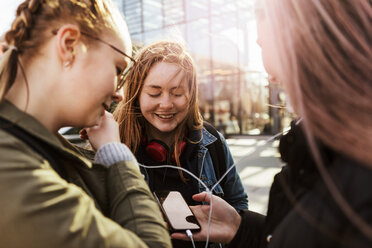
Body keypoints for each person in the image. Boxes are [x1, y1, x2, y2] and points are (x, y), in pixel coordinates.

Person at [172, 0, 372, 247]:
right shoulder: (322, 157)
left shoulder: (351, 177)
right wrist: (240, 227)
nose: (269, 73)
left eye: (263, 43)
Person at [0, 0, 171, 247]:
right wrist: (117, 156)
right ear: (70, 45)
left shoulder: (34, 148)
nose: (119, 94)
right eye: (117, 69)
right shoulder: (13, 170)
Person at [113, 41, 248, 247]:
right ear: (136, 94)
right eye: (154, 93)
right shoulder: (113, 146)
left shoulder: (212, 142)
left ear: (191, 94)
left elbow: (238, 204)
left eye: (177, 93)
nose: (166, 104)